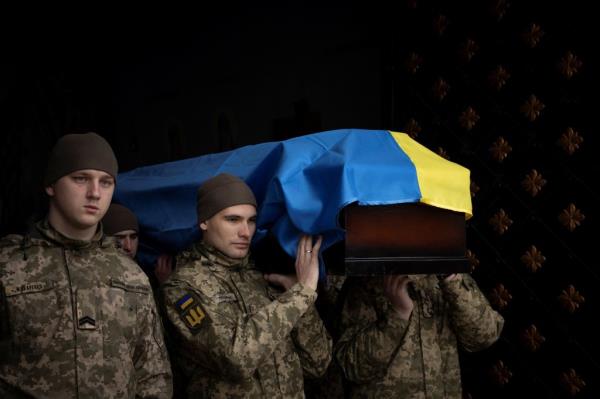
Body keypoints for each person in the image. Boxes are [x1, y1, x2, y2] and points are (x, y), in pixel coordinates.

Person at [0, 132, 173, 398]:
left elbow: (153, 372)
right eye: (80, 178)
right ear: (51, 185)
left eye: (106, 182)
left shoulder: (130, 275)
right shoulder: (8, 266)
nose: (94, 193)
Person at [161, 173, 332, 398]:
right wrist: (302, 294)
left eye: (251, 221)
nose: (245, 232)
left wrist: (303, 300)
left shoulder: (264, 275)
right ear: (204, 221)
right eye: (233, 220)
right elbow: (236, 359)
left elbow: (318, 364)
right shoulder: (182, 287)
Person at [334, 273, 504, 398]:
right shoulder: (365, 282)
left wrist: (452, 281)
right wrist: (397, 314)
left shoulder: (449, 278)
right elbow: (352, 367)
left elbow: (485, 336)